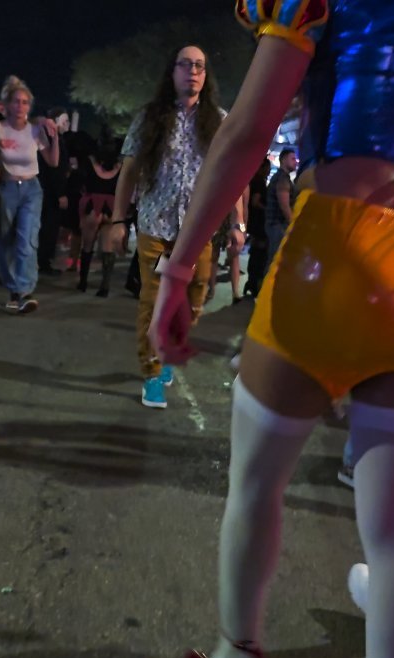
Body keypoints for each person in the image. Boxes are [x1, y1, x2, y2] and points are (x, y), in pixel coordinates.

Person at [148, 0, 394, 658]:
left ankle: (237, 656)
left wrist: (178, 270)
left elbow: (246, 133)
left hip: (331, 254)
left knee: (256, 483)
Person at [114, 45, 244, 410]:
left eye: (200, 66)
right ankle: (152, 372)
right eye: (185, 65)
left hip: (198, 231)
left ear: (206, 75)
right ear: (172, 72)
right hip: (156, 228)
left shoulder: (219, 121)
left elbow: (233, 175)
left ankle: (167, 343)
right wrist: (118, 220)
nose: (193, 71)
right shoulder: (150, 117)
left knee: (196, 297)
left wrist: (239, 222)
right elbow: (129, 172)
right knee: (154, 299)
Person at [0, 77, 59, 314]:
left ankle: (25, 290)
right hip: (7, 188)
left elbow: (53, 161)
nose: (21, 106)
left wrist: (54, 135)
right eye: (16, 101)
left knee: (27, 239)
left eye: (25, 102)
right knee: (4, 241)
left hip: (31, 188)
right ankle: (13, 289)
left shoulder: (34, 130)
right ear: (7, 105)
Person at [73, 135, 122, 297]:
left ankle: (83, 282)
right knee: (108, 247)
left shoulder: (89, 161)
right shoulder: (119, 165)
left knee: (87, 245)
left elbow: (79, 182)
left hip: (92, 206)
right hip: (111, 207)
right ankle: (104, 286)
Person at [37, 107, 72, 275]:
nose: (67, 124)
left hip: (49, 190)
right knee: (48, 227)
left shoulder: (59, 140)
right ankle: (43, 261)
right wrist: (60, 193)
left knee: (49, 227)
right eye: (65, 121)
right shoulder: (51, 139)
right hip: (50, 192)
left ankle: (44, 260)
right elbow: (54, 170)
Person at [262, 147, 297, 278]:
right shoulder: (282, 178)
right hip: (278, 226)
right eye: (292, 158)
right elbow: (284, 206)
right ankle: (266, 288)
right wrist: (293, 225)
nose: (295, 162)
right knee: (275, 262)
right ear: (283, 160)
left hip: (275, 225)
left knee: (273, 260)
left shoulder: (280, 177)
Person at [242, 158, 272, 297]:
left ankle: (251, 282)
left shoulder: (254, 180)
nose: (269, 171)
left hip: (254, 222)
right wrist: (267, 209)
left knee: (256, 252)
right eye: (267, 168)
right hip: (259, 223)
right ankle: (254, 282)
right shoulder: (259, 182)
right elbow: (255, 202)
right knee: (259, 252)